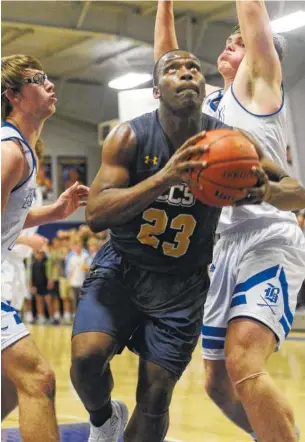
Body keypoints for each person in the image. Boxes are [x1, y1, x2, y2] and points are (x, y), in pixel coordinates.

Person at [70, 47, 304, 442]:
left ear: (201, 82)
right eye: (173, 69)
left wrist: (265, 191)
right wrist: (165, 177)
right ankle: (104, 419)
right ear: (157, 90)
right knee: (86, 359)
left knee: (156, 397)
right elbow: (95, 214)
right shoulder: (129, 136)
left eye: (193, 68)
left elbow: (295, 191)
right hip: (124, 267)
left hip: (182, 283)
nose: (186, 73)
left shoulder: (230, 141)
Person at [154, 2, 305, 441]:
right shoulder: (202, 107)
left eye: (238, 41)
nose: (230, 42)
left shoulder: (258, 86)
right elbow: (165, 61)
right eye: (227, 40)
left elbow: (254, 16)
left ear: (260, 56)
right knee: (218, 384)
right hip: (218, 248)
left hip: (266, 236)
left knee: (244, 362)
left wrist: (248, 23)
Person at [1, 54, 89, 442]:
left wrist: (54, 211)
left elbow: (8, 220)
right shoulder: (9, 151)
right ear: (14, 97)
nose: (51, 84)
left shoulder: (25, 149)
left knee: (8, 385)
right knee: (38, 377)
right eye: (38, 79)